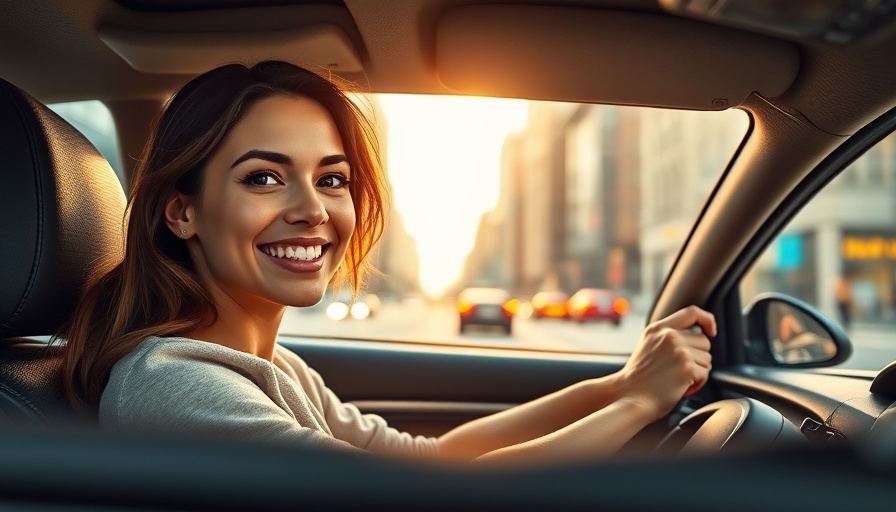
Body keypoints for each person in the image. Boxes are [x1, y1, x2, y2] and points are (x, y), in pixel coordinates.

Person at [55, 60, 714, 464]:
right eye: (263, 178)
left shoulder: (271, 367)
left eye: (332, 179)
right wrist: (639, 408)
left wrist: (621, 387)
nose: (313, 209)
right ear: (182, 212)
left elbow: (429, 460)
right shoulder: (173, 384)